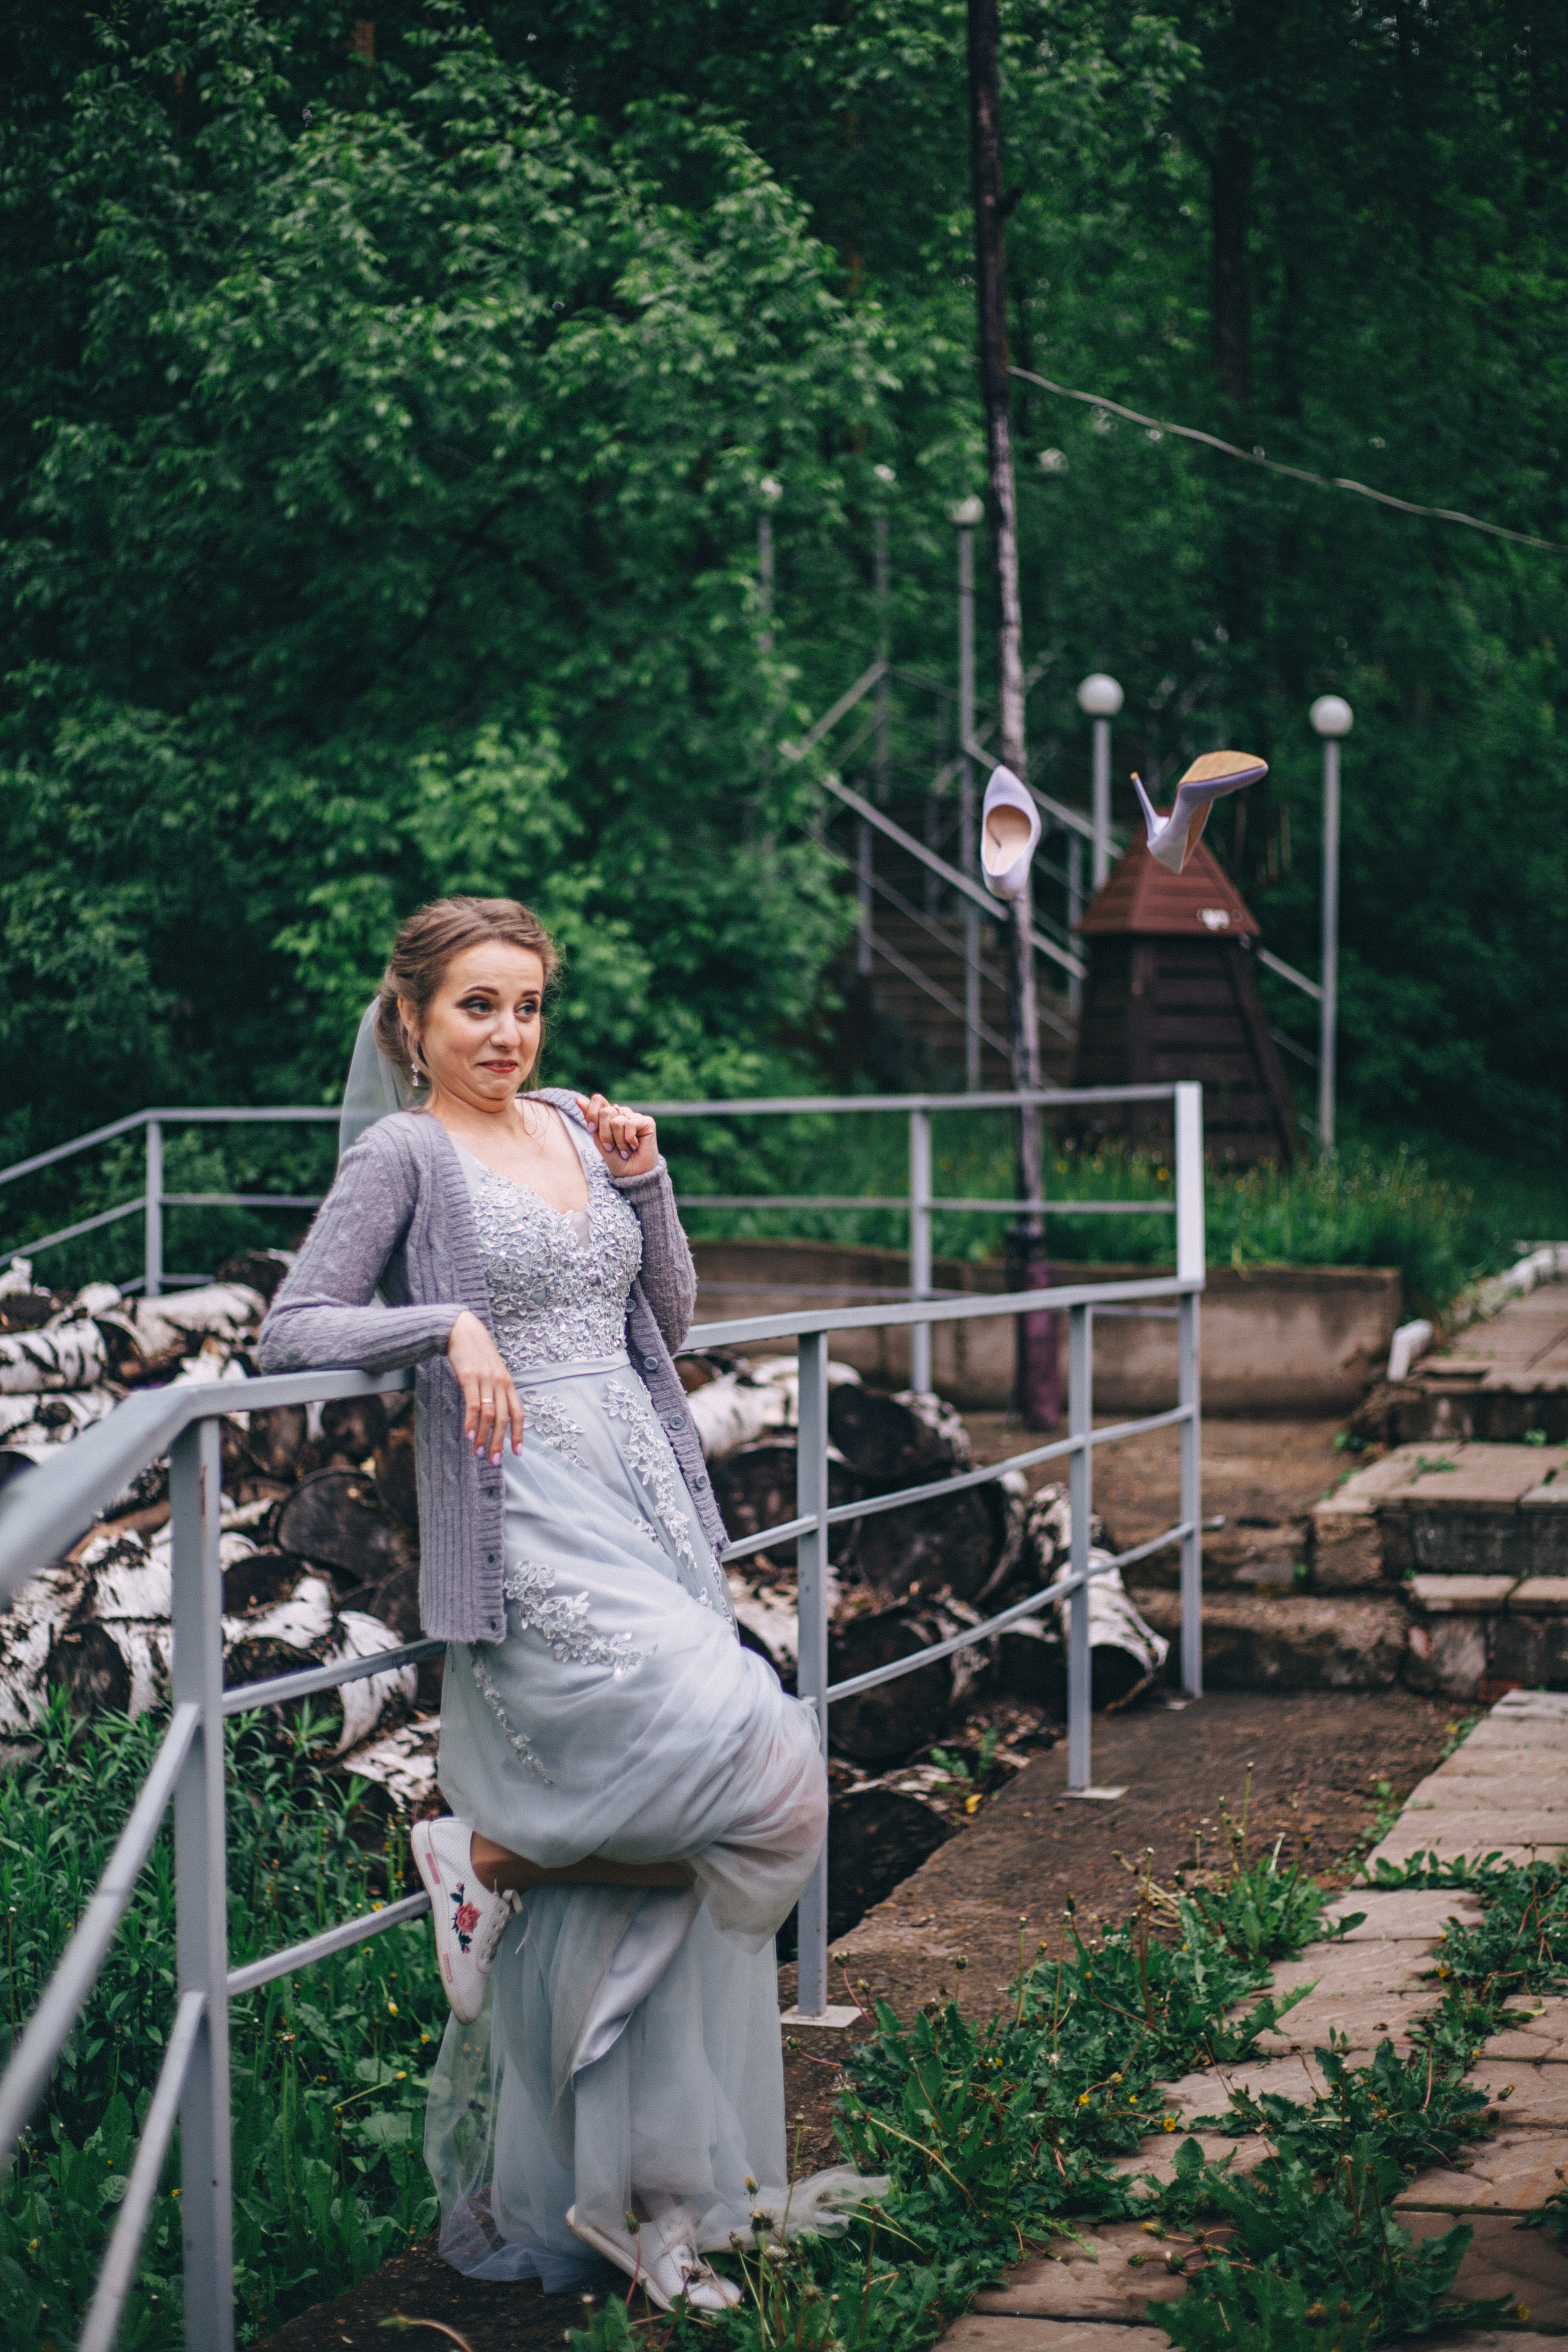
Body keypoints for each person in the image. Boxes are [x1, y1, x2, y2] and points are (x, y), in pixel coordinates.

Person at [257, 895, 857, 2309]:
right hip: (525, 1526)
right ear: (410, 1018)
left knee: (663, 1877)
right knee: (764, 1787)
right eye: (476, 1005)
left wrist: (646, 1187)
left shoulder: (577, 1134)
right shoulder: (402, 1152)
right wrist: (445, 1323)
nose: (507, 1034)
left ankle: (649, 2205)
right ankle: (498, 1876)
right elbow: (295, 1323)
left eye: (526, 1006)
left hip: (650, 1510)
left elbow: (666, 1325)